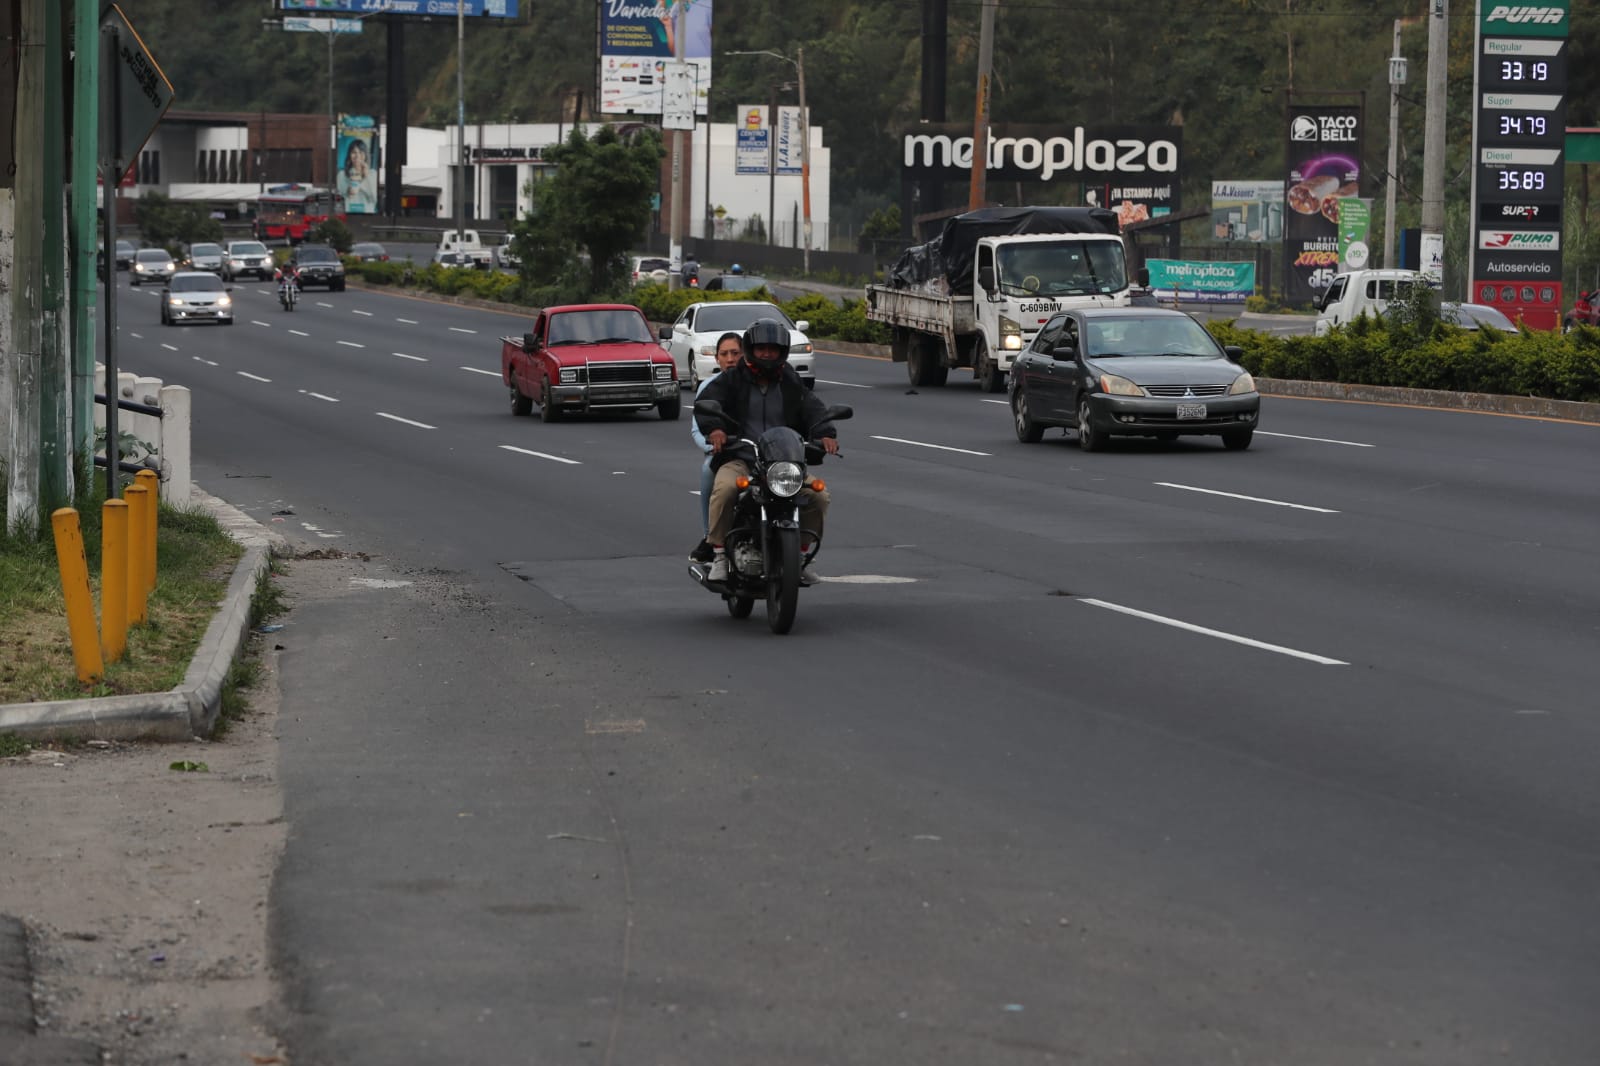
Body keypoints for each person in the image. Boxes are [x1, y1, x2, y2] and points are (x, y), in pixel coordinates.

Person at [696, 318, 839, 584]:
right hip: (741, 458)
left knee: (819, 497)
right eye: (761, 348)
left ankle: (801, 556)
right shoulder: (732, 378)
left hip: (782, 462)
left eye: (773, 349)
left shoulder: (790, 380)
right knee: (725, 489)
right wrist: (715, 429)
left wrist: (825, 433)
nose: (767, 354)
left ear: (782, 351)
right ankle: (719, 555)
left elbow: (813, 408)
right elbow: (708, 401)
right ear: (751, 349)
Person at [688, 332, 745, 563]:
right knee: (708, 468)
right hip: (725, 453)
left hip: (757, 452)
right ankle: (710, 536)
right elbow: (697, 428)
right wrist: (713, 445)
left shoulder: (755, 382)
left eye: (735, 353)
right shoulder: (709, 387)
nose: (730, 359)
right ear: (717, 359)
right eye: (724, 354)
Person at [338, 139, 377, 213]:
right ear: (349, 155)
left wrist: (366, 177)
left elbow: (374, 199)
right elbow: (338, 201)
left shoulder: (373, 174)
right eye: (354, 152)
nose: (357, 156)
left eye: (361, 152)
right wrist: (347, 192)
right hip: (348, 214)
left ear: (365, 155)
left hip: (367, 214)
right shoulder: (341, 175)